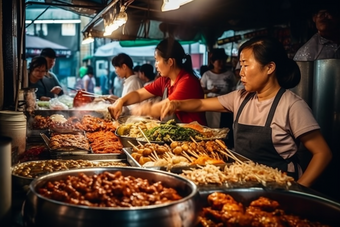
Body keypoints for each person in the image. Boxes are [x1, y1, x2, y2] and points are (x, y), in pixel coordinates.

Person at [158, 36, 332, 187]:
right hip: (243, 180)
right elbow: (200, 105)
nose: (240, 72)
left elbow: (322, 153)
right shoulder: (240, 97)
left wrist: (299, 190)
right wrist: (176, 104)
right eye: (240, 66)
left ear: (269, 68)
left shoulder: (292, 105)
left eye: (245, 65)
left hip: (279, 185)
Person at [108, 38, 207, 126]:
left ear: (170, 62)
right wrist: (121, 101)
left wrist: (143, 110)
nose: (155, 65)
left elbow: (166, 106)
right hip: (174, 136)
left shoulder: (187, 81)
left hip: (194, 137)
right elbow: (139, 94)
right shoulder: (165, 80)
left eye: (157, 60)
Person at [200, 48, 236, 128]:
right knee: (211, 127)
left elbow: (234, 90)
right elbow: (201, 90)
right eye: (219, 61)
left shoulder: (230, 75)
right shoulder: (207, 75)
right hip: (210, 106)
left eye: (223, 61)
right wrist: (211, 90)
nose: (221, 63)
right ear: (213, 62)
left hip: (226, 105)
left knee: (225, 128)